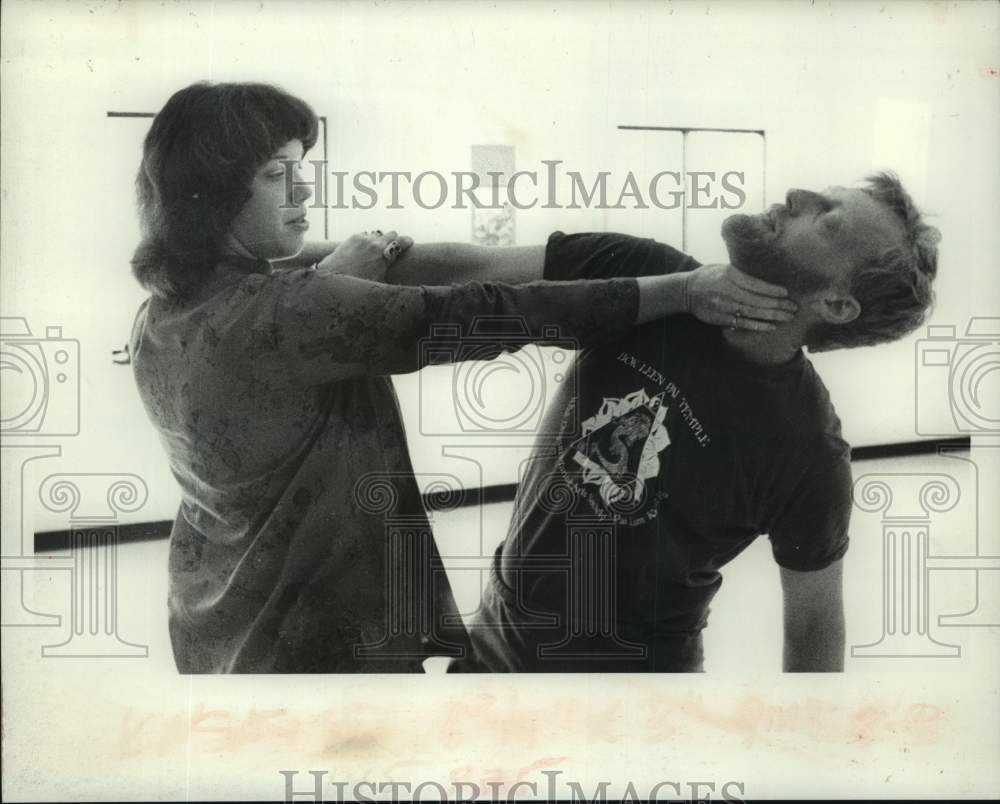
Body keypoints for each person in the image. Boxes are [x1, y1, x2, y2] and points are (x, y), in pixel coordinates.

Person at [127, 81, 794, 673]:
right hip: (321, 644)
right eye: (278, 174)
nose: (304, 189)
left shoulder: (164, 311)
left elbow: (296, 314)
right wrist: (681, 290)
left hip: (218, 620)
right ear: (213, 195)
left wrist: (349, 270)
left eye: (300, 168)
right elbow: (488, 313)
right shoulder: (292, 309)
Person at [384, 173, 941, 672]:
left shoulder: (809, 451)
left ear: (837, 305)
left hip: (636, 697)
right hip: (491, 644)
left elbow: (815, 632)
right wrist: (308, 266)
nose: (798, 194)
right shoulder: (641, 272)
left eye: (828, 219)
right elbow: (464, 274)